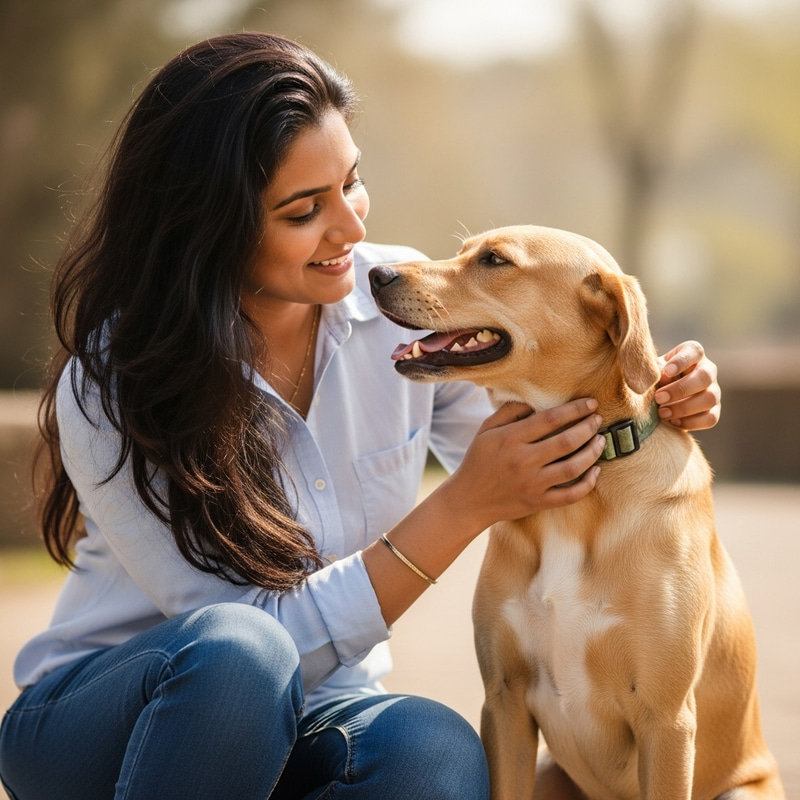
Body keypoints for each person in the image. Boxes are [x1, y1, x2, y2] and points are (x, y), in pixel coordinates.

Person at [0, 32, 721, 800]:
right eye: (305, 210)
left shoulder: (406, 312)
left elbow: (553, 434)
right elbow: (255, 644)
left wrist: (650, 390)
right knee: (243, 654)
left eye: (352, 183)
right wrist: (464, 504)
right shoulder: (113, 382)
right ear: (207, 226)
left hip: (319, 714)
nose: (349, 229)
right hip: (107, 726)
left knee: (435, 754)